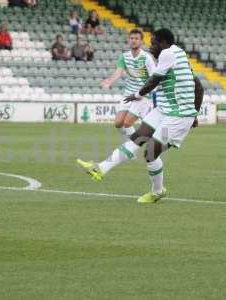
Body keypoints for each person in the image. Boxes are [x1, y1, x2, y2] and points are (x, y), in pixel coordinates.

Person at [77, 28, 204, 204]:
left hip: (177, 117)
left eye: (153, 43)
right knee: (137, 138)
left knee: (150, 152)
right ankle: (101, 169)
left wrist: (137, 95)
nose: (150, 47)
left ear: (163, 43)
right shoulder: (177, 55)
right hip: (164, 110)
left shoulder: (168, 53)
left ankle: (157, 192)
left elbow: (154, 81)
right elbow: (198, 86)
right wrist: (195, 113)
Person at [101, 29, 156, 139]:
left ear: (141, 41)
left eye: (136, 39)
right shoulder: (124, 57)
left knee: (127, 123)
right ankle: (132, 144)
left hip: (142, 95)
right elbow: (119, 71)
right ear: (128, 40)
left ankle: (133, 146)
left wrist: (153, 96)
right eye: (131, 38)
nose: (133, 41)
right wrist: (110, 81)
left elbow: (154, 78)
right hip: (128, 94)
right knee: (118, 123)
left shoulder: (146, 58)